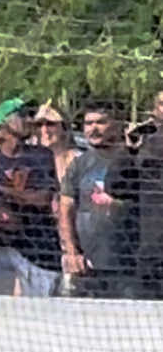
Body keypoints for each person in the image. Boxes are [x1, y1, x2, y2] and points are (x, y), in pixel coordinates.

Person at [0, 98, 59, 295]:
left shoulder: (42, 156)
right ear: (4, 123)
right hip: (0, 246)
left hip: (37, 246)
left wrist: (6, 192)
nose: (29, 119)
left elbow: (43, 199)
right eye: (22, 114)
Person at [59, 98, 140, 299]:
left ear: (118, 124)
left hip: (129, 266)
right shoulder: (79, 164)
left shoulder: (135, 159)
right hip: (87, 267)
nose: (94, 129)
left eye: (101, 122)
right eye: (89, 123)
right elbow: (65, 209)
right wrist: (71, 252)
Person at [130, 89, 163, 298]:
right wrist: (129, 150)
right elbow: (115, 187)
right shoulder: (145, 142)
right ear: (155, 110)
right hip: (151, 250)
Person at [33, 102, 80, 186]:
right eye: (39, 125)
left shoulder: (80, 160)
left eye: (50, 124)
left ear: (64, 127)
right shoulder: (30, 161)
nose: (44, 130)